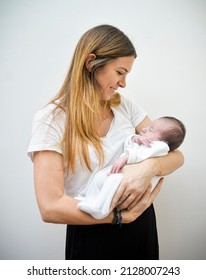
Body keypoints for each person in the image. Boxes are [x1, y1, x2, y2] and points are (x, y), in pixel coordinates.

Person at [27, 24, 184, 260]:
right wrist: (119, 217)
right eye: (120, 72)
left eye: (126, 75)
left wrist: (148, 168)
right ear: (91, 63)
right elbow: (50, 207)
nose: (123, 83)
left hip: (142, 226)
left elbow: (175, 154)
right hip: (92, 234)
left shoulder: (124, 106)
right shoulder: (51, 120)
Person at [77, 116, 186, 219]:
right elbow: (128, 144)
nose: (144, 129)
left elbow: (143, 155)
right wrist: (134, 138)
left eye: (151, 129)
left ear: (164, 142)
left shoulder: (160, 147)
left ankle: (100, 209)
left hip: (130, 186)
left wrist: (127, 158)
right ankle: (88, 198)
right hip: (121, 174)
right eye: (148, 126)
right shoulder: (145, 142)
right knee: (99, 177)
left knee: (112, 182)